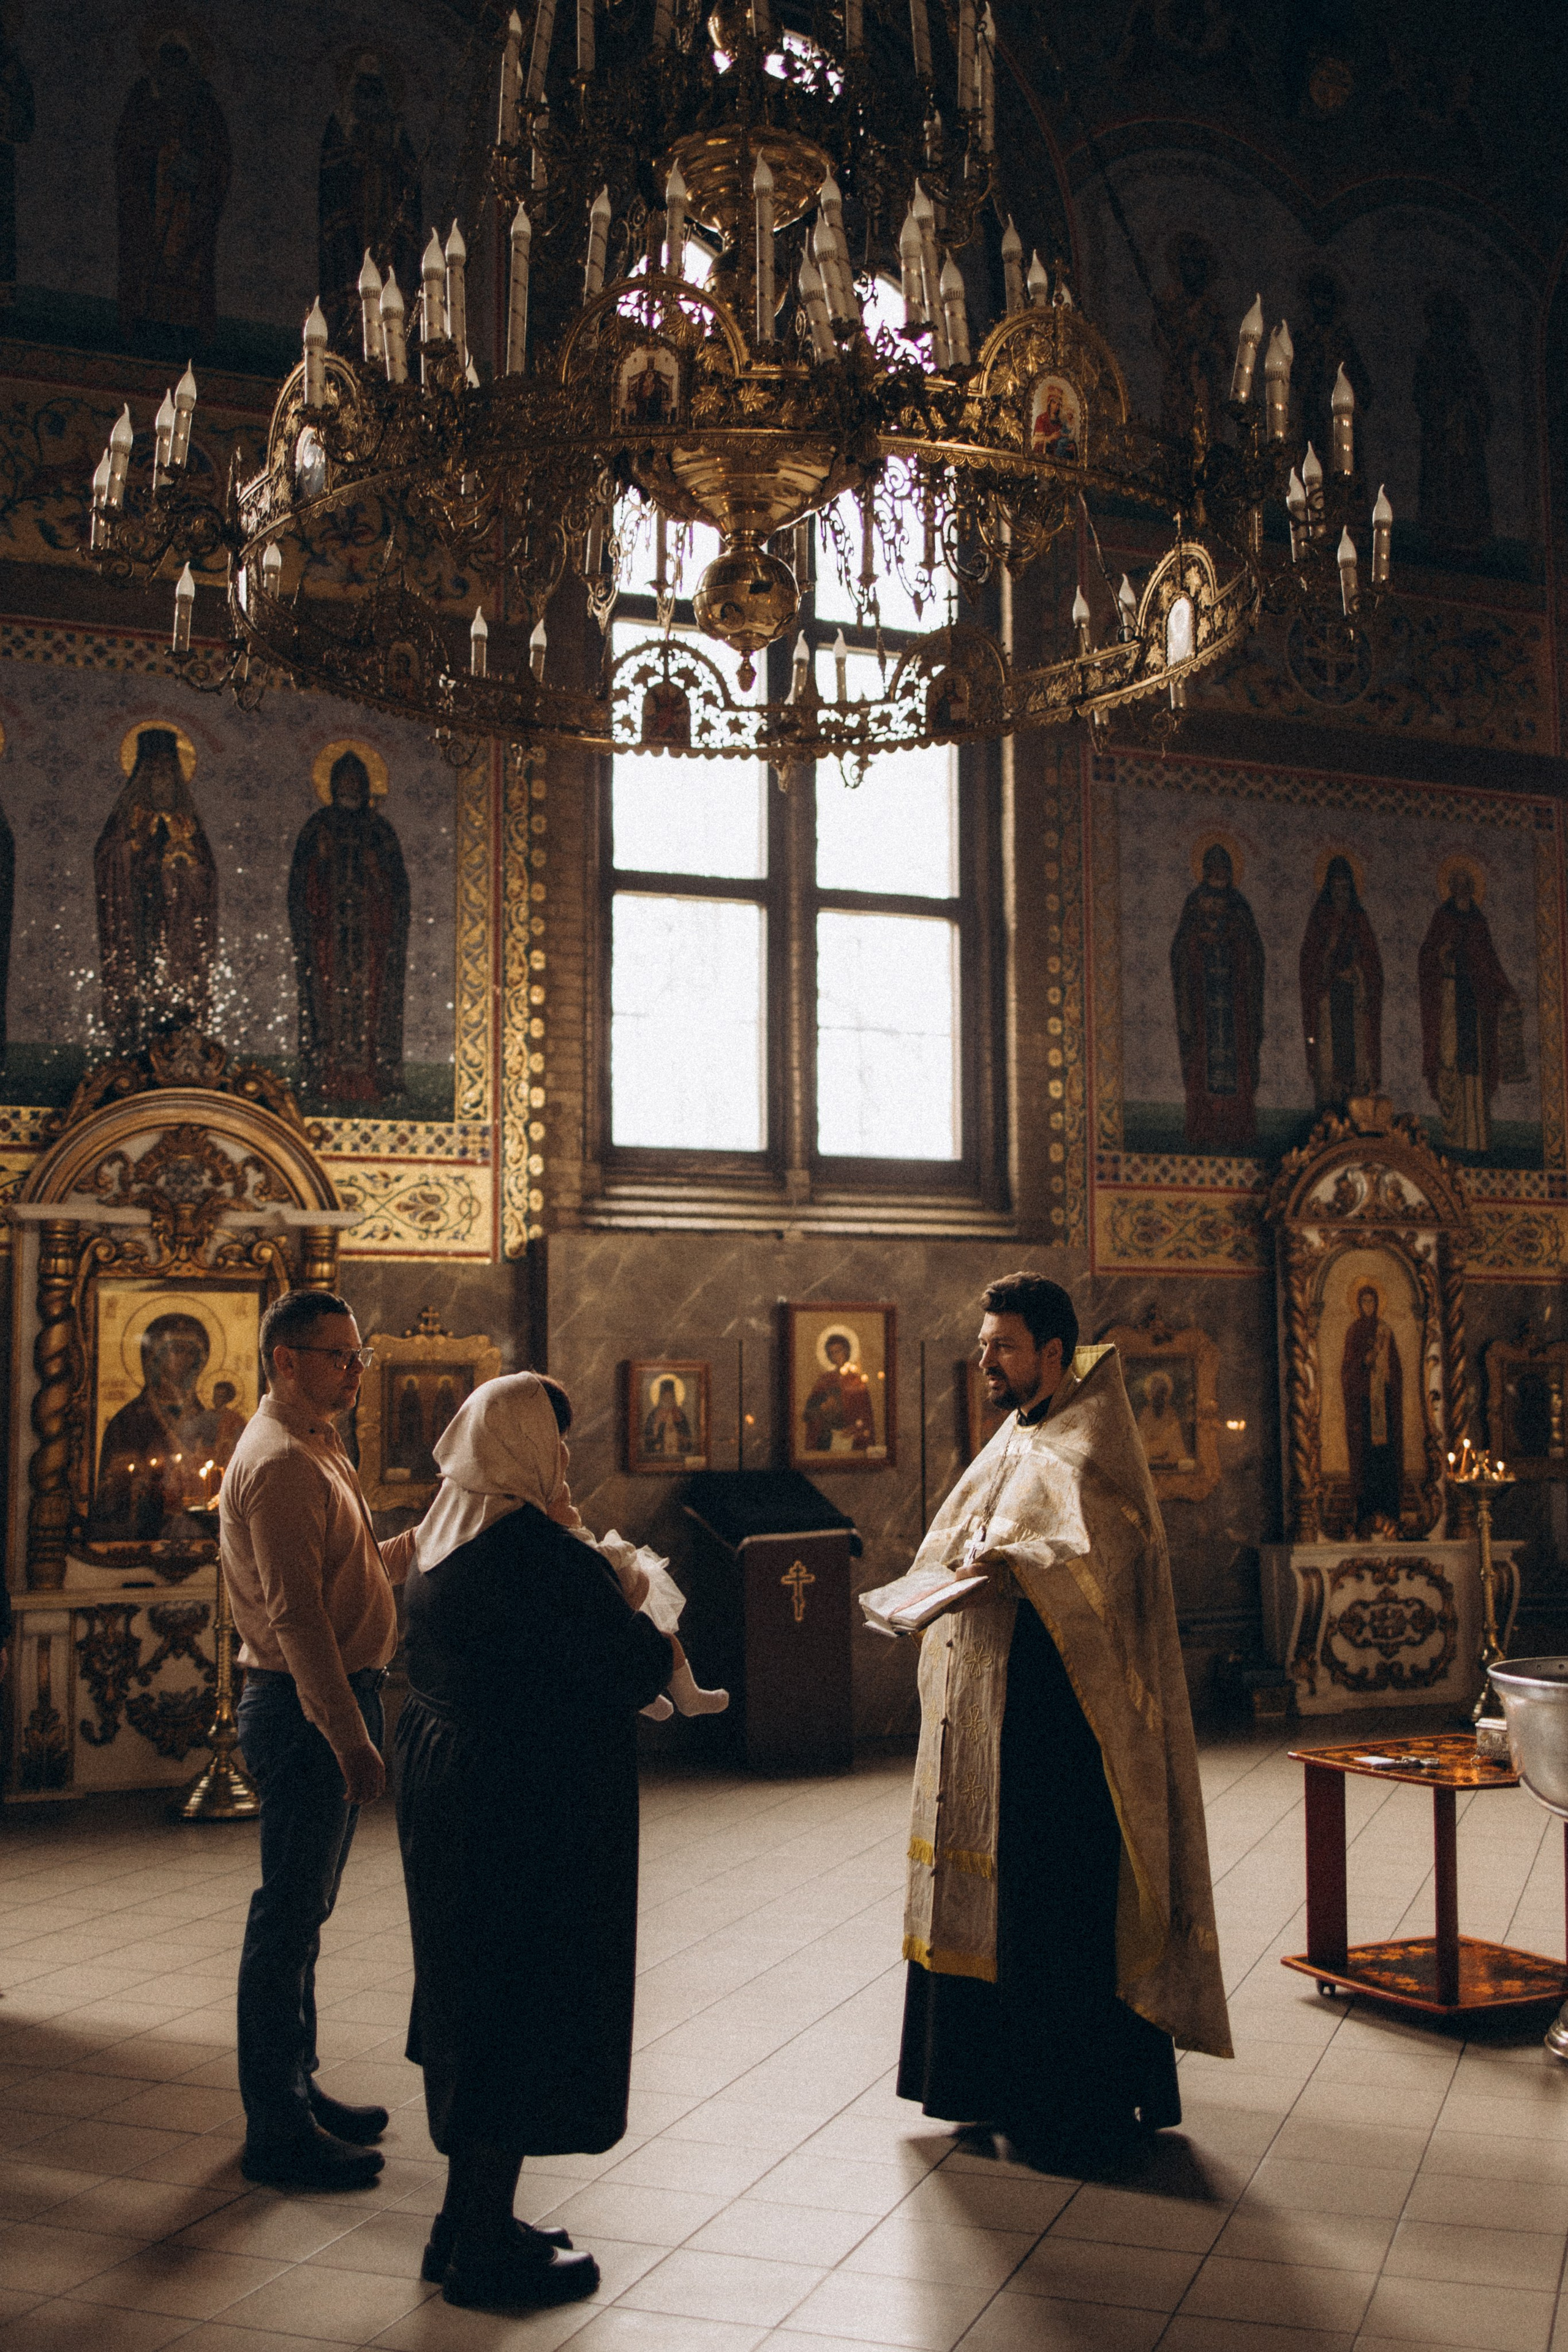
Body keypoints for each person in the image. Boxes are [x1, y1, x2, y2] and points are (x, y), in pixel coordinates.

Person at [872, 1272, 1231, 2174]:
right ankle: (980, 2082)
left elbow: (1099, 1560)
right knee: (984, 1889)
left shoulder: (1089, 1441)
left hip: (1059, 1729)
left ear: (1054, 1353)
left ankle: (1062, 2100)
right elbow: (968, 1533)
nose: (985, 1361)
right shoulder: (1021, 1430)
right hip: (986, 1709)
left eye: (1002, 1346)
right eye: (983, 1344)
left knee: (1047, 1902)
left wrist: (1015, 1566)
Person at [394, 1374, 675, 2310]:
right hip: (525, 1808)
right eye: (553, 1441)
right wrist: (630, 1593)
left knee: (473, 1999)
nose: (563, 1458)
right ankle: (482, 2248)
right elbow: (633, 1665)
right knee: (518, 2009)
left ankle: (463, 2221)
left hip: (454, 1793)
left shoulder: (442, 1536)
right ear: (517, 1446)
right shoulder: (538, 1557)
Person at [221, 1290, 415, 2191]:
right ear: (284, 1360)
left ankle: (297, 2087)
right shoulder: (280, 1464)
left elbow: (354, 1572)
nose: (355, 1372)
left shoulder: (318, 1445)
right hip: (303, 1713)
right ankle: (277, 2128)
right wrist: (349, 1739)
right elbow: (298, 1620)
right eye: (339, 1356)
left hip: (327, 1703)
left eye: (358, 1355)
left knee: (307, 1915)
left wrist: (436, 1534)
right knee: (288, 1919)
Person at [533, 1373, 726, 1722]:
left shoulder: (556, 1524)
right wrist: (624, 1554)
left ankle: (657, 1696)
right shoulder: (562, 1539)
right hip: (590, 1636)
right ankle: (684, 1697)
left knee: (645, 1639)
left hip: (603, 1619)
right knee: (657, 1641)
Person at [1341, 1283, 1403, 1533]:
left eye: (1372, 1302)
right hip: (1364, 1403)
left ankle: (1389, 1508)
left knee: (1385, 1455)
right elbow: (1348, 1368)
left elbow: (1396, 1368)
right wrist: (1367, 1359)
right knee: (1367, 1455)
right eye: (1364, 1302)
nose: (1368, 1306)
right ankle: (1366, 1510)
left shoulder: (1386, 1330)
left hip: (1384, 1401)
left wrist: (1387, 1374)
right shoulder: (1355, 1331)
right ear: (1359, 1305)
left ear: (1377, 1304)